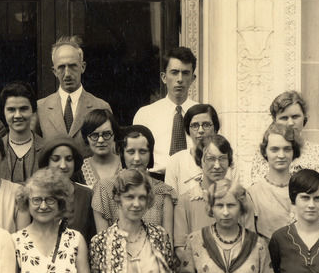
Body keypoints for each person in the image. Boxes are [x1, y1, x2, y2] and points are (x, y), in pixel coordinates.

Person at [173, 134, 254, 261]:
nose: (217, 166)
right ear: (200, 160)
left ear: (229, 161)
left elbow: (249, 242)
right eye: (211, 159)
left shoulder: (242, 197)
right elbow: (181, 249)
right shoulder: (185, 202)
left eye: (222, 158)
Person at [91, 125, 175, 237]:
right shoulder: (104, 189)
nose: (137, 158)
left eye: (142, 151)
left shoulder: (164, 192)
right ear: (122, 153)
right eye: (131, 151)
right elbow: (102, 242)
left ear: (150, 153)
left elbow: (167, 243)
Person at [35, 36, 112, 156]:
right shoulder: (41, 108)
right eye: (61, 67)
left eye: (72, 66)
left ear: (82, 67)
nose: (67, 74)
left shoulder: (101, 107)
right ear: (54, 71)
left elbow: (110, 153)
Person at [133, 46, 198, 176]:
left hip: (194, 181)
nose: (180, 79)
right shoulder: (145, 114)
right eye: (174, 72)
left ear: (192, 79)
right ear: (163, 77)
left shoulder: (201, 115)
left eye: (185, 73)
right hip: (156, 181)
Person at [249, 91, 319, 184]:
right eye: (284, 118)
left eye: (295, 117)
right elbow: (259, 190)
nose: (290, 123)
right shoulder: (265, 154)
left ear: (304, 117)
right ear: (275, 120)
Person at [37, 136, 96, 243]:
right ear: (47, 162)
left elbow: (91, 238)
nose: (63, 165)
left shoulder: (86, 194)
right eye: (56, 159)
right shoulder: (36, 194)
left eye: (69, 159)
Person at [247, 123, 301, 239]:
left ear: (293, 152)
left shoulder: (304, 188)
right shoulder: (253, 193)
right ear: (265, 152)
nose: (281, 155)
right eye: (274, 149)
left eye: (287, 149)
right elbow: (249, 240)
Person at [163, 104, 220, 197]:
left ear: (215, 128)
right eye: (195, 125)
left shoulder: (228, 160)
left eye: (206, 125)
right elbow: (171, 202)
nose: (201, 130)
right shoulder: (175, 162)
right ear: (188, 130)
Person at [0, 81, 44, 183]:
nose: (18, 115)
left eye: (23, 109)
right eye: (11, 110)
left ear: (33, 111)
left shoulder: (46, 149)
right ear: (4, 112)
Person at [79, 108, 121, 187]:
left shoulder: (127, 166)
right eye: (94, 135)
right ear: (86, 137)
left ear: (114, 135)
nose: (101, 140)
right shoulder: (79, 171)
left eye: (106, 134)